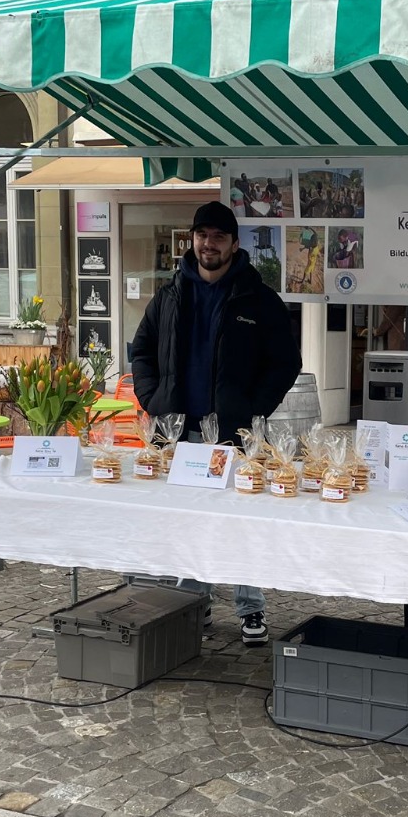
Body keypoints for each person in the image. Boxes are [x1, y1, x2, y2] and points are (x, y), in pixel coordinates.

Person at [130, 201, 301, 645]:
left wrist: (252, 409)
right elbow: (142, 349)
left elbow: (285, 362)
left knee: (240, 520)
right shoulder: (169, 296)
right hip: (180, 434)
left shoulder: (258, 299)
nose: (210, 244)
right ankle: (194, 605)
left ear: (233, 243)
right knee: (190, 521)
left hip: (235, 434)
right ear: (193, 240)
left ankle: (251, 609)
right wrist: (152, 398)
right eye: (203, 235)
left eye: (219, 237)